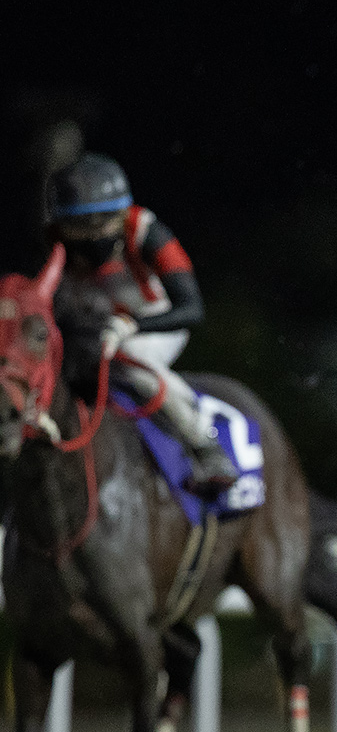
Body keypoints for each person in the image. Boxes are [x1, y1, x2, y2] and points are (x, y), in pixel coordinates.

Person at [46, 152, 238, 497]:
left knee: (133, 363)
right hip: (89, 327)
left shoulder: (149, 234)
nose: (91, 236)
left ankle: (206, 447)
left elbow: (192, 308)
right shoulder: (52, 245)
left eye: (103, 221)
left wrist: (131, 326)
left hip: (154, 321)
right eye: (79, 226)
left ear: (122, 214)